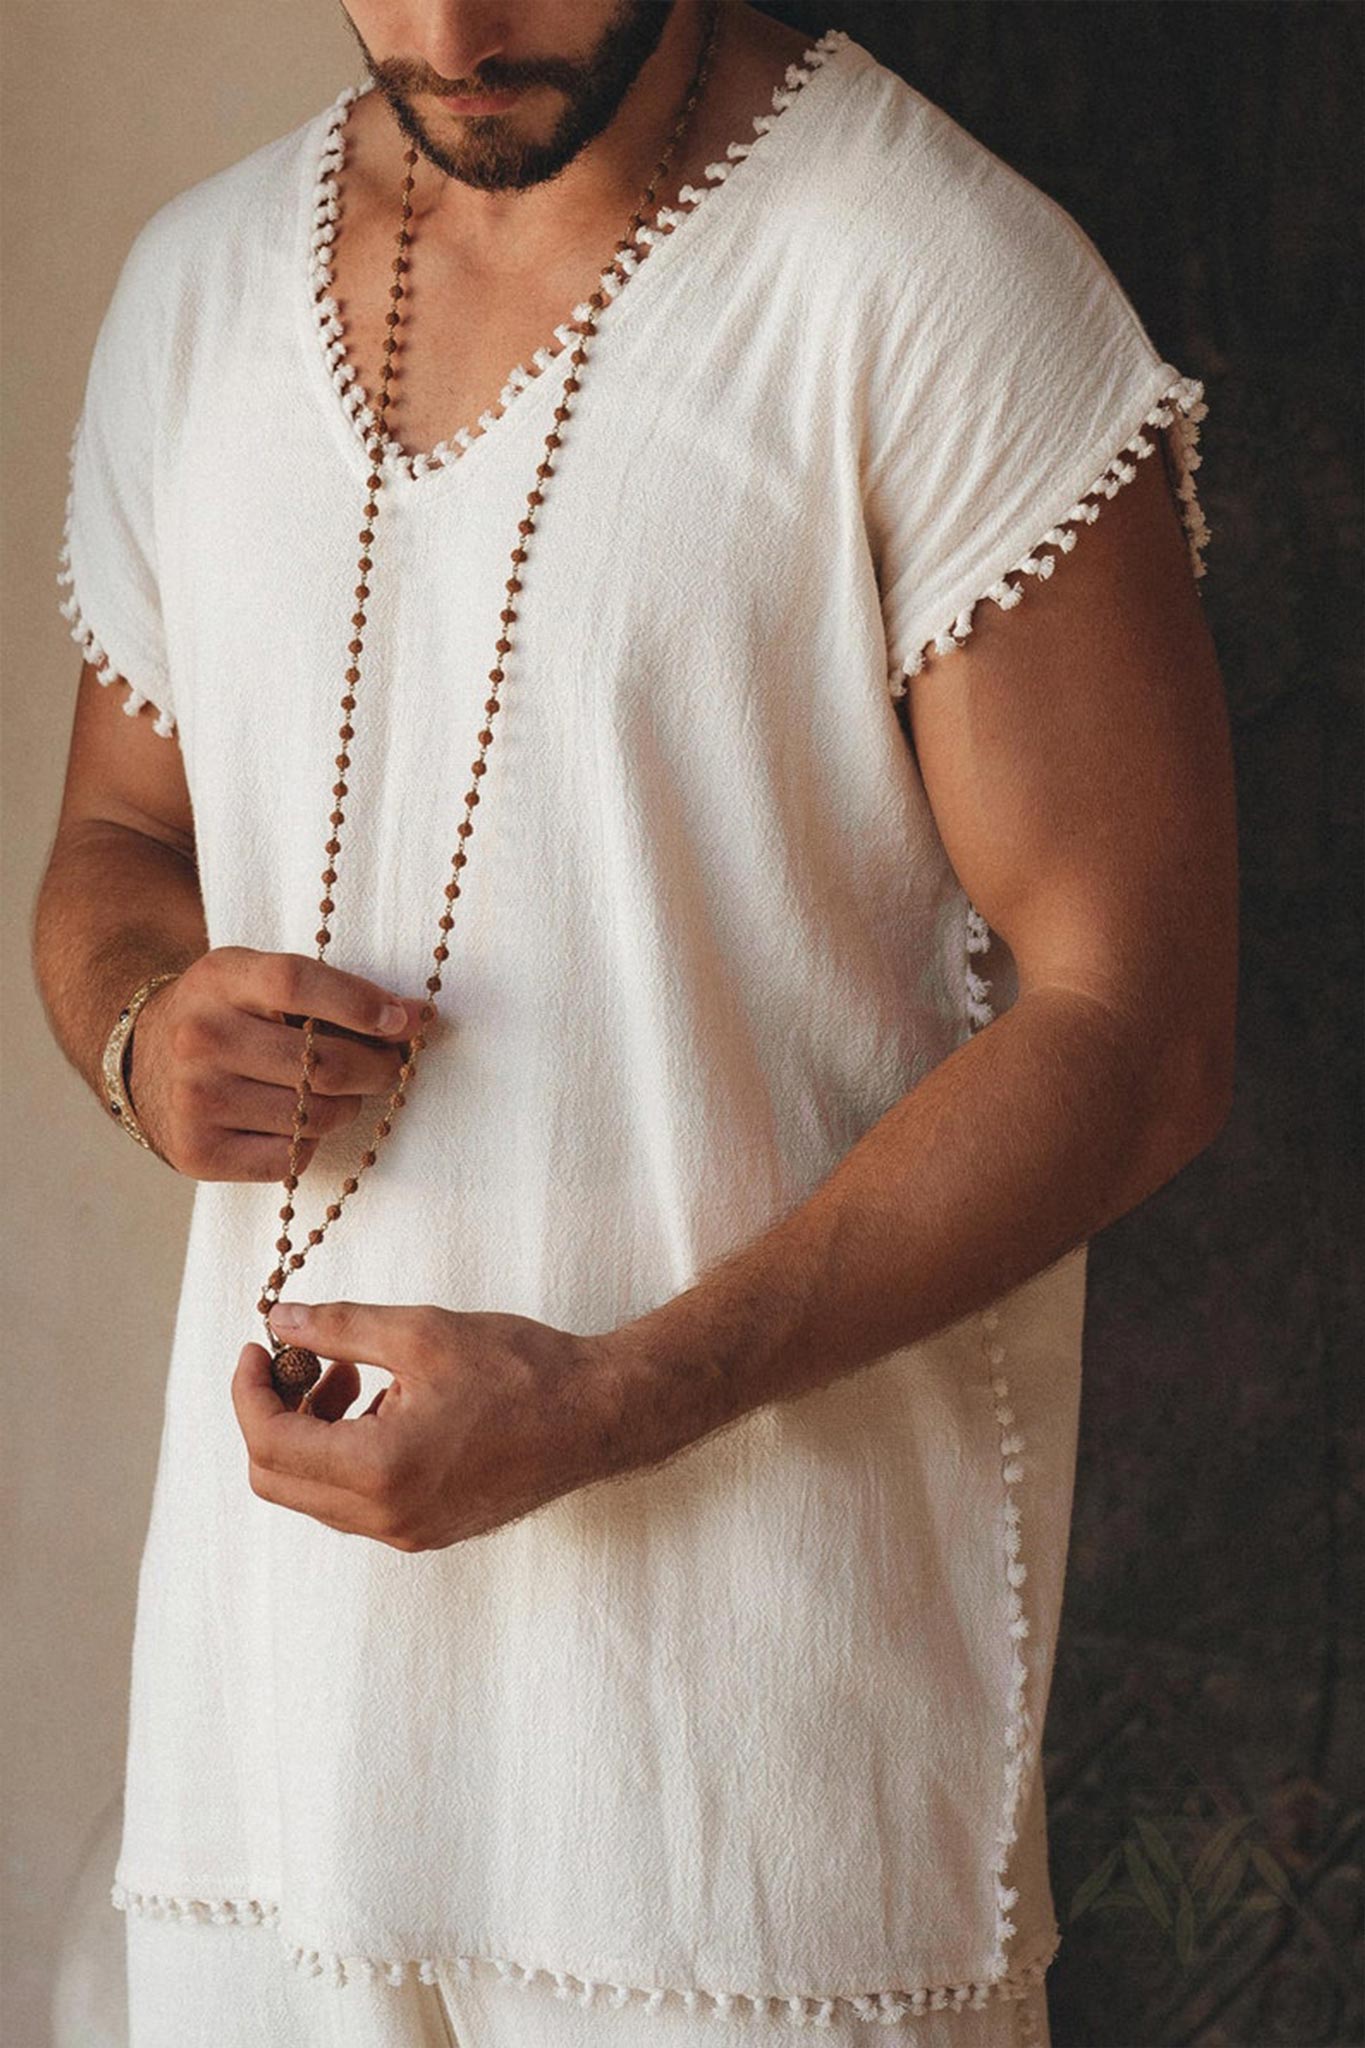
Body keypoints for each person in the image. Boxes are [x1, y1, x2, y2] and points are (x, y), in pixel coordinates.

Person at [34, 1, 1238, 2043]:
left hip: (746, 1818)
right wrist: (143, 1028)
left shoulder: (928, 283)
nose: (452, 29)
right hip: (275, 1755)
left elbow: (1133, 1026)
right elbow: (117, 844)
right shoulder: (189, 299)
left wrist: (613, 1396)